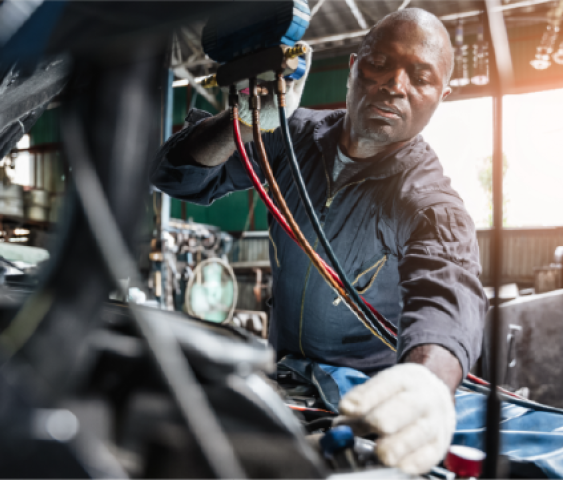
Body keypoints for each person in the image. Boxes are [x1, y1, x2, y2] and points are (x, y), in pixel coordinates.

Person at [151, 8, 487, 474]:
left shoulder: (426, 200)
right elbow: (175, 176)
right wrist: (241, 125)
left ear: (441, 96)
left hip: (365, 401)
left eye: (420, 76)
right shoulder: (289, 136)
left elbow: (449, 295)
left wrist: (428, 384)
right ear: (353, 66)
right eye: (380, 63)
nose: (395, 84)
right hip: (284, 379)